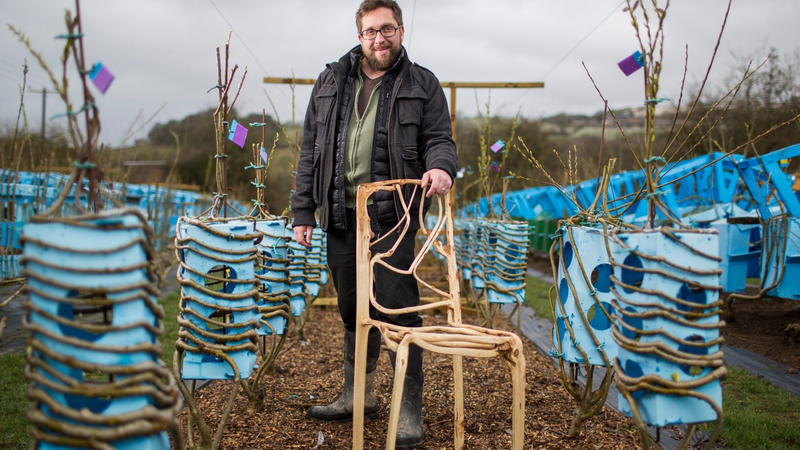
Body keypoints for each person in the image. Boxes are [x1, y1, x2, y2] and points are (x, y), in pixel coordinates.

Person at [290, 0, 457, 447]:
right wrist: (303, 211)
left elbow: (439, 138)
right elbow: (309, 150)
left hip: (393, 217)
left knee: (397, 309)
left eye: (387, 29)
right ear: (359, 36)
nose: (379, 39)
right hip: (340, 214)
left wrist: (440, 166)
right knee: (352, 308)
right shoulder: (330, 81)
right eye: (370, 31)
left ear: (400, 30)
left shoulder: (422, 83)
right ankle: (357, 396)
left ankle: (408, 409)